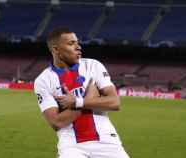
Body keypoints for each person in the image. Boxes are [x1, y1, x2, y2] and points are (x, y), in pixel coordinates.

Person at [34, 27, 130, 158]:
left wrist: (79, 102)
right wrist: (91, 99)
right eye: (71, 43)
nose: (78, 47)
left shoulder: (93, 66)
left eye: (77, 43)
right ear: (56, 49)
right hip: (71, 144)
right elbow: (57, 122)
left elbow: (114, 102)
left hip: (106, 139)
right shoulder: (43, 80)